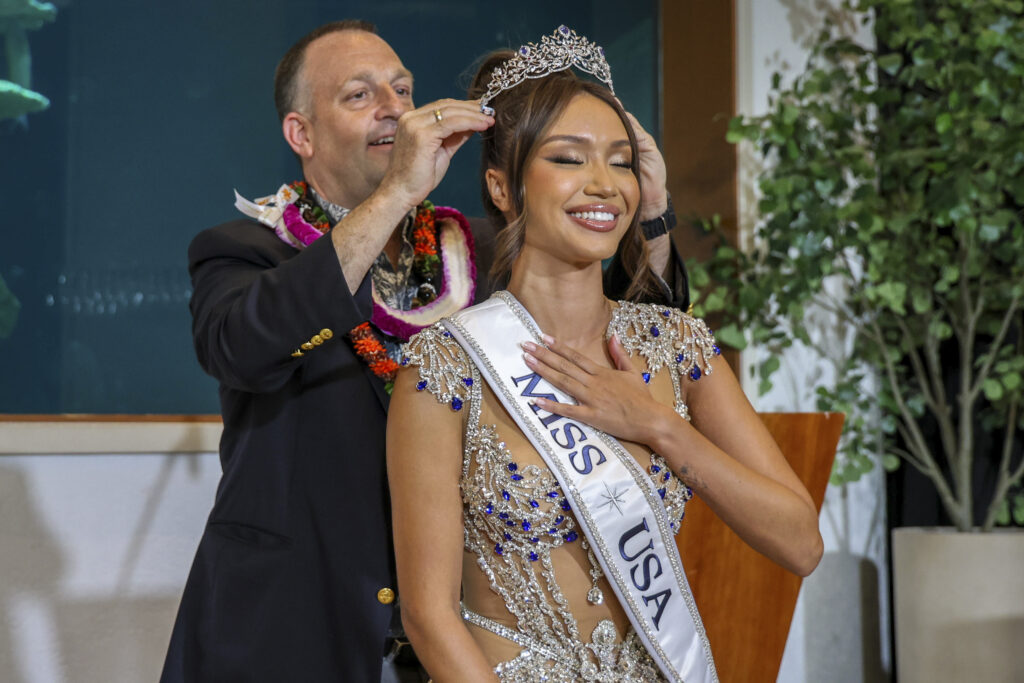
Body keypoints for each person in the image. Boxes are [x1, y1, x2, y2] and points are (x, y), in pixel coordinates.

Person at [162, 20, 686, 683]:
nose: (392, 107)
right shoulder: (244, 248)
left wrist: (656, 212)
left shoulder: (480, 251)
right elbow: (241, 347)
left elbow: (643, 350)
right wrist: (395, 194)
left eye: (402, 89)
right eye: (359, 95)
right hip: (292, 624)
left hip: (456, 630)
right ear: (302, 134)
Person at [387, 27, 824, 682]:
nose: (603, 184)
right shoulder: (445, 366)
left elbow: (800, 541)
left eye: (620, 161)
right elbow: (427, 615)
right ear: (503, 187)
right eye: (568, 159)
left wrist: (657, 425)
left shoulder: (677, 347)